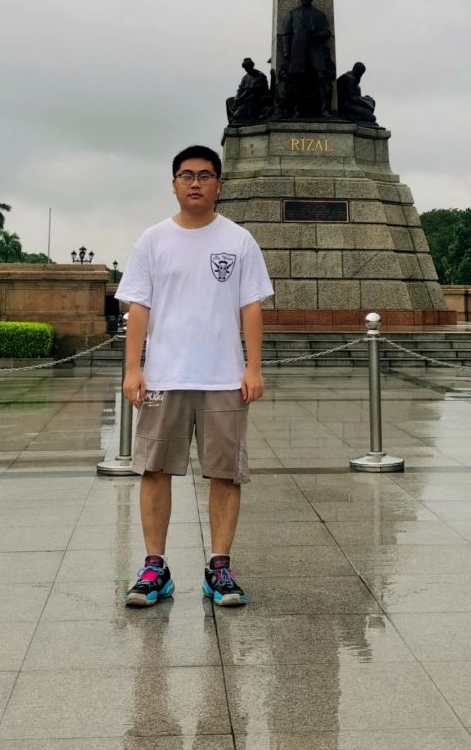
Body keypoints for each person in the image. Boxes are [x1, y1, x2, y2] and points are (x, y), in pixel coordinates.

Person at [117, 144, 273, 609]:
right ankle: (154, 567)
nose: (195, 183)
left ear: (219, 185)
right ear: (173, 183)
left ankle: (219, 567)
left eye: (205, 175)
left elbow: (251, 308)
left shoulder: (239, 241)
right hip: (165, 376)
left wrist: (252, 367)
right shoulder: (153, 240)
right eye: (186, 175)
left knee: (225, 474)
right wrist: (132, 368)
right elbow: (138, 309)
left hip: (223, 376)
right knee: (154, 470)